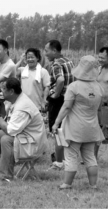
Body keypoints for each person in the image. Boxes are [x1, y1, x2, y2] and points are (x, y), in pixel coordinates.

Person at [52, 55, 105, 190]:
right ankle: (93, 185)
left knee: (70, 156)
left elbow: (66, 107)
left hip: (75, 129)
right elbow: (99, 110)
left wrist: (56, 123)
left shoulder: (73, 87)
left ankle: (67, 184)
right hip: (92, 128)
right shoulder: (99, 88)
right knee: (90, 157)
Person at [0, 78, 48, 182]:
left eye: (4, 89)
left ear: (11, 91)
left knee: (6, 139)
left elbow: (10, 131)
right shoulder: (17, 100)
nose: (1, 91)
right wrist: (0, 125)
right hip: (24, 136)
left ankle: (6, 176)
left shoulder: (22, 106)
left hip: (33, 143)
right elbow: (15, 123)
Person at [45, 40, 75, 171]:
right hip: (69, 99)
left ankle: (58, 162)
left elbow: (61, 79)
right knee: (65, 129)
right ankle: (64, 159)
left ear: (54, 51)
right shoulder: (68, 61)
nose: (45, 54)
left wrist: (55, 95)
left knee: (56, 130)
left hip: (59, 100)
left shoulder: (56, 64)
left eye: (47, 51)